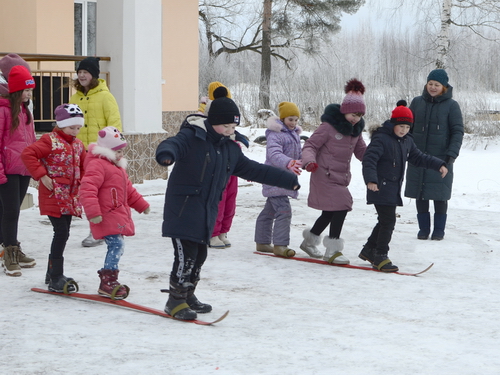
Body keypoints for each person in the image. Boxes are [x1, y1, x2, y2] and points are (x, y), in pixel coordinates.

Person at [155, 90, 300, 320]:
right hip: (182, 208)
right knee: (186, 256)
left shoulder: (230, 149)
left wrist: (287, 179)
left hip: (206, 210)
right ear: (213, 123)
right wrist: (166, 154)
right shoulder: (191, 137)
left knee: (200, 255)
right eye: (226, 127)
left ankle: (188, 294)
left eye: (233, 127)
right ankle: (175, 300)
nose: (231, 131)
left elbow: (255, 170)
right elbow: (172, 143)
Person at [360, 101, 448, 272]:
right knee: (388, 221)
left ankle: (369, 250)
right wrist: (371, 180)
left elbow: (419, 157)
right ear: (393, 124)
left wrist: (439, 164)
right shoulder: (381, 139)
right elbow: (369, 160)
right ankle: (380, 256)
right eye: (401, 126)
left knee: (384, 220)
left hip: (392, 189)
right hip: (378, 186)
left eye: (407, 127)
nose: (404, 130)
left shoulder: (406, 141)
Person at [300, 78, 367, 263]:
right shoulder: (328, 127)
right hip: (323, 174)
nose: (355, 118)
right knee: (343, 205)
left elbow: (362, 152)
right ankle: (332, 251)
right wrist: (309, 162)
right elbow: (310, 146)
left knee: (331, 212)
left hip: (340, 177)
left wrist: (379, 157)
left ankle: (309, 241)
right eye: (353, 114)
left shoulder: (355, 131)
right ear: (344, 111)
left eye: (359, 116)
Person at [21, 104, 86, 291]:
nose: (75, 131)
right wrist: (42, 175)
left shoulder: (78, 145)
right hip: (53, 195)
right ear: (61, 124)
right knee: (61, 233)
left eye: (78, 127)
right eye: (71, 127)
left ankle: (52, 273)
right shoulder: (50, 140)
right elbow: (28, 154)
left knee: (64, 232)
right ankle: (56, 275)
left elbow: (84, 166)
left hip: (69, 196)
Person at [80, 126, 150, 299]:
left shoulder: (117, 168)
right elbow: (87, 189)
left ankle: (109, 279)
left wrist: (142, 205)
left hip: (116, 214)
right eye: (117, 151)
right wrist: (93, 213)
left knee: (117, 245)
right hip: (104, 214)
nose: (120, 155)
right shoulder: (97, 165)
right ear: (107, 150)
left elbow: (129, 191)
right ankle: (108, 281)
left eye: (121, 151)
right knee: (117, 245)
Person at [69, 56, 123, 247]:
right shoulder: (75, 97)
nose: (82, 75)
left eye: (85, 72)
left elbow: (115, 124)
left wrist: (114, 149)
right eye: (79, 72)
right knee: (88, 193)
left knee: (103, 194)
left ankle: (103, 230)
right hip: (81, 153)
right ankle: (99, 228)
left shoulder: (105, 96)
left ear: (93, 75)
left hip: (101, 153)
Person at [404, 69, 464, 241]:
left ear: (444, 87)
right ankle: (423, 229)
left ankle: (439, 230)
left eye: (436, 85)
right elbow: (406, 126)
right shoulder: (416, 102)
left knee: (439, 194)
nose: (432, 87)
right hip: (417, 157)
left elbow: (457, 132)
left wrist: (450, 156)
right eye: (430, 84)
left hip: (441, 159)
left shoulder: (452, 106)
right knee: (419, 192)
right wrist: (406, 147)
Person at [0, 65, 37, 276]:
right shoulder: (3, 110)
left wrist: (35, 165)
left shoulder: (25, 112)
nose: (29, 94)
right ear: (15, 90)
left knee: (10, 211)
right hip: (8, 170)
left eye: (31, 90)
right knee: (10, 212)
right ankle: (10, 253)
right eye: (26, 90)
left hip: (23, 170)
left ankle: (8, 246)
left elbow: (30, 142)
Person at [254, 101, 302, 257]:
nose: (293, 123)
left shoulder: (293, 135)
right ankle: (280, 245)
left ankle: (262, 242)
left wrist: (307, 162)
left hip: (284, 179)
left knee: (269, 211)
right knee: (284, 211)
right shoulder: (275, 135)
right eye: (290, 120)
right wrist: (289, 162)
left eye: (296, 120)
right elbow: (274, 155)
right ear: (282, 119)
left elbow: (298, 156)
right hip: (275, 178)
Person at [202, 83, 241, 248]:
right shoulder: (209, 112)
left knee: (230, 200)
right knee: (220, 199)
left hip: (230, 165)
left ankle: (224, 230)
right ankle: (213, 232)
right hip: (218, 167)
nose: (230, 129)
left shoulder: (231, 111)